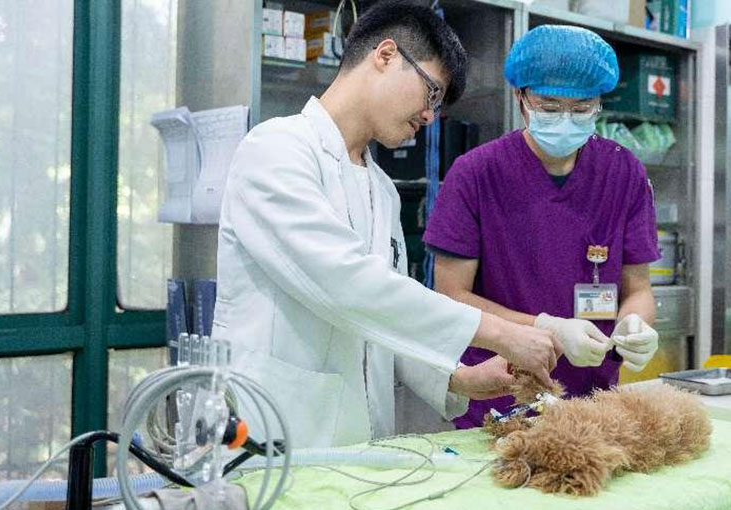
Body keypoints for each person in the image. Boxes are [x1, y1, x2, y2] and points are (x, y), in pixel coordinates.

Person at [211, 0, 561, 447]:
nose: (430, 116)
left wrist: (459, 378)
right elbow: (347, 285)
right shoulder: (276, 149)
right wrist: (501, 333)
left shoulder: (381, 188)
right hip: (275, 436)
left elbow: (384, 315)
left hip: (361, 444)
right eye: (431, 93)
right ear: (386, 55)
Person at [423, 25, 661, 428]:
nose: (565, 119)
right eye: (549, 107)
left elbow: (637, 289)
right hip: (498, 399)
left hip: (594, 403)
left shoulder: (623, 172)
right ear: (521, 98)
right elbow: (451, 297)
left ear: (599, 103)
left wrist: (634, 324)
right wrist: (545, 328)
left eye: (581, 107)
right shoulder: (476, 174)